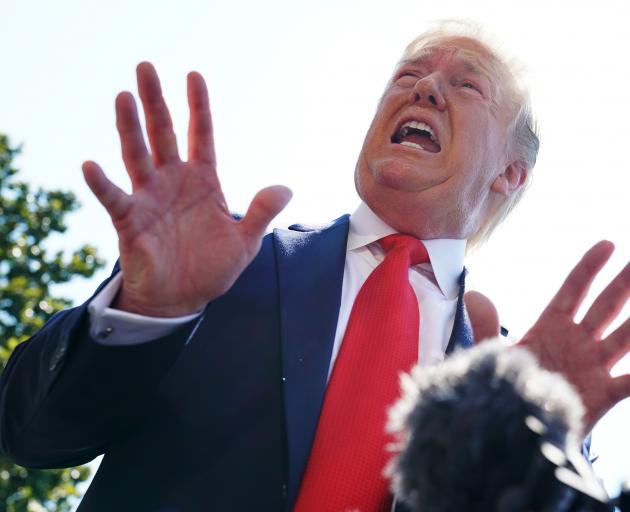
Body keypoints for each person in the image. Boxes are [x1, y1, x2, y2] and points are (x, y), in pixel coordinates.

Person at [0, 22, 628, 512]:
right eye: (408, 73)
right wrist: (148, 311)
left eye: (467, 85)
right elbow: (35, 435)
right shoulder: (225, 271)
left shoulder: (520, 384)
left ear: (510, 174)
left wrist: (541, 450)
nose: (424, 87)